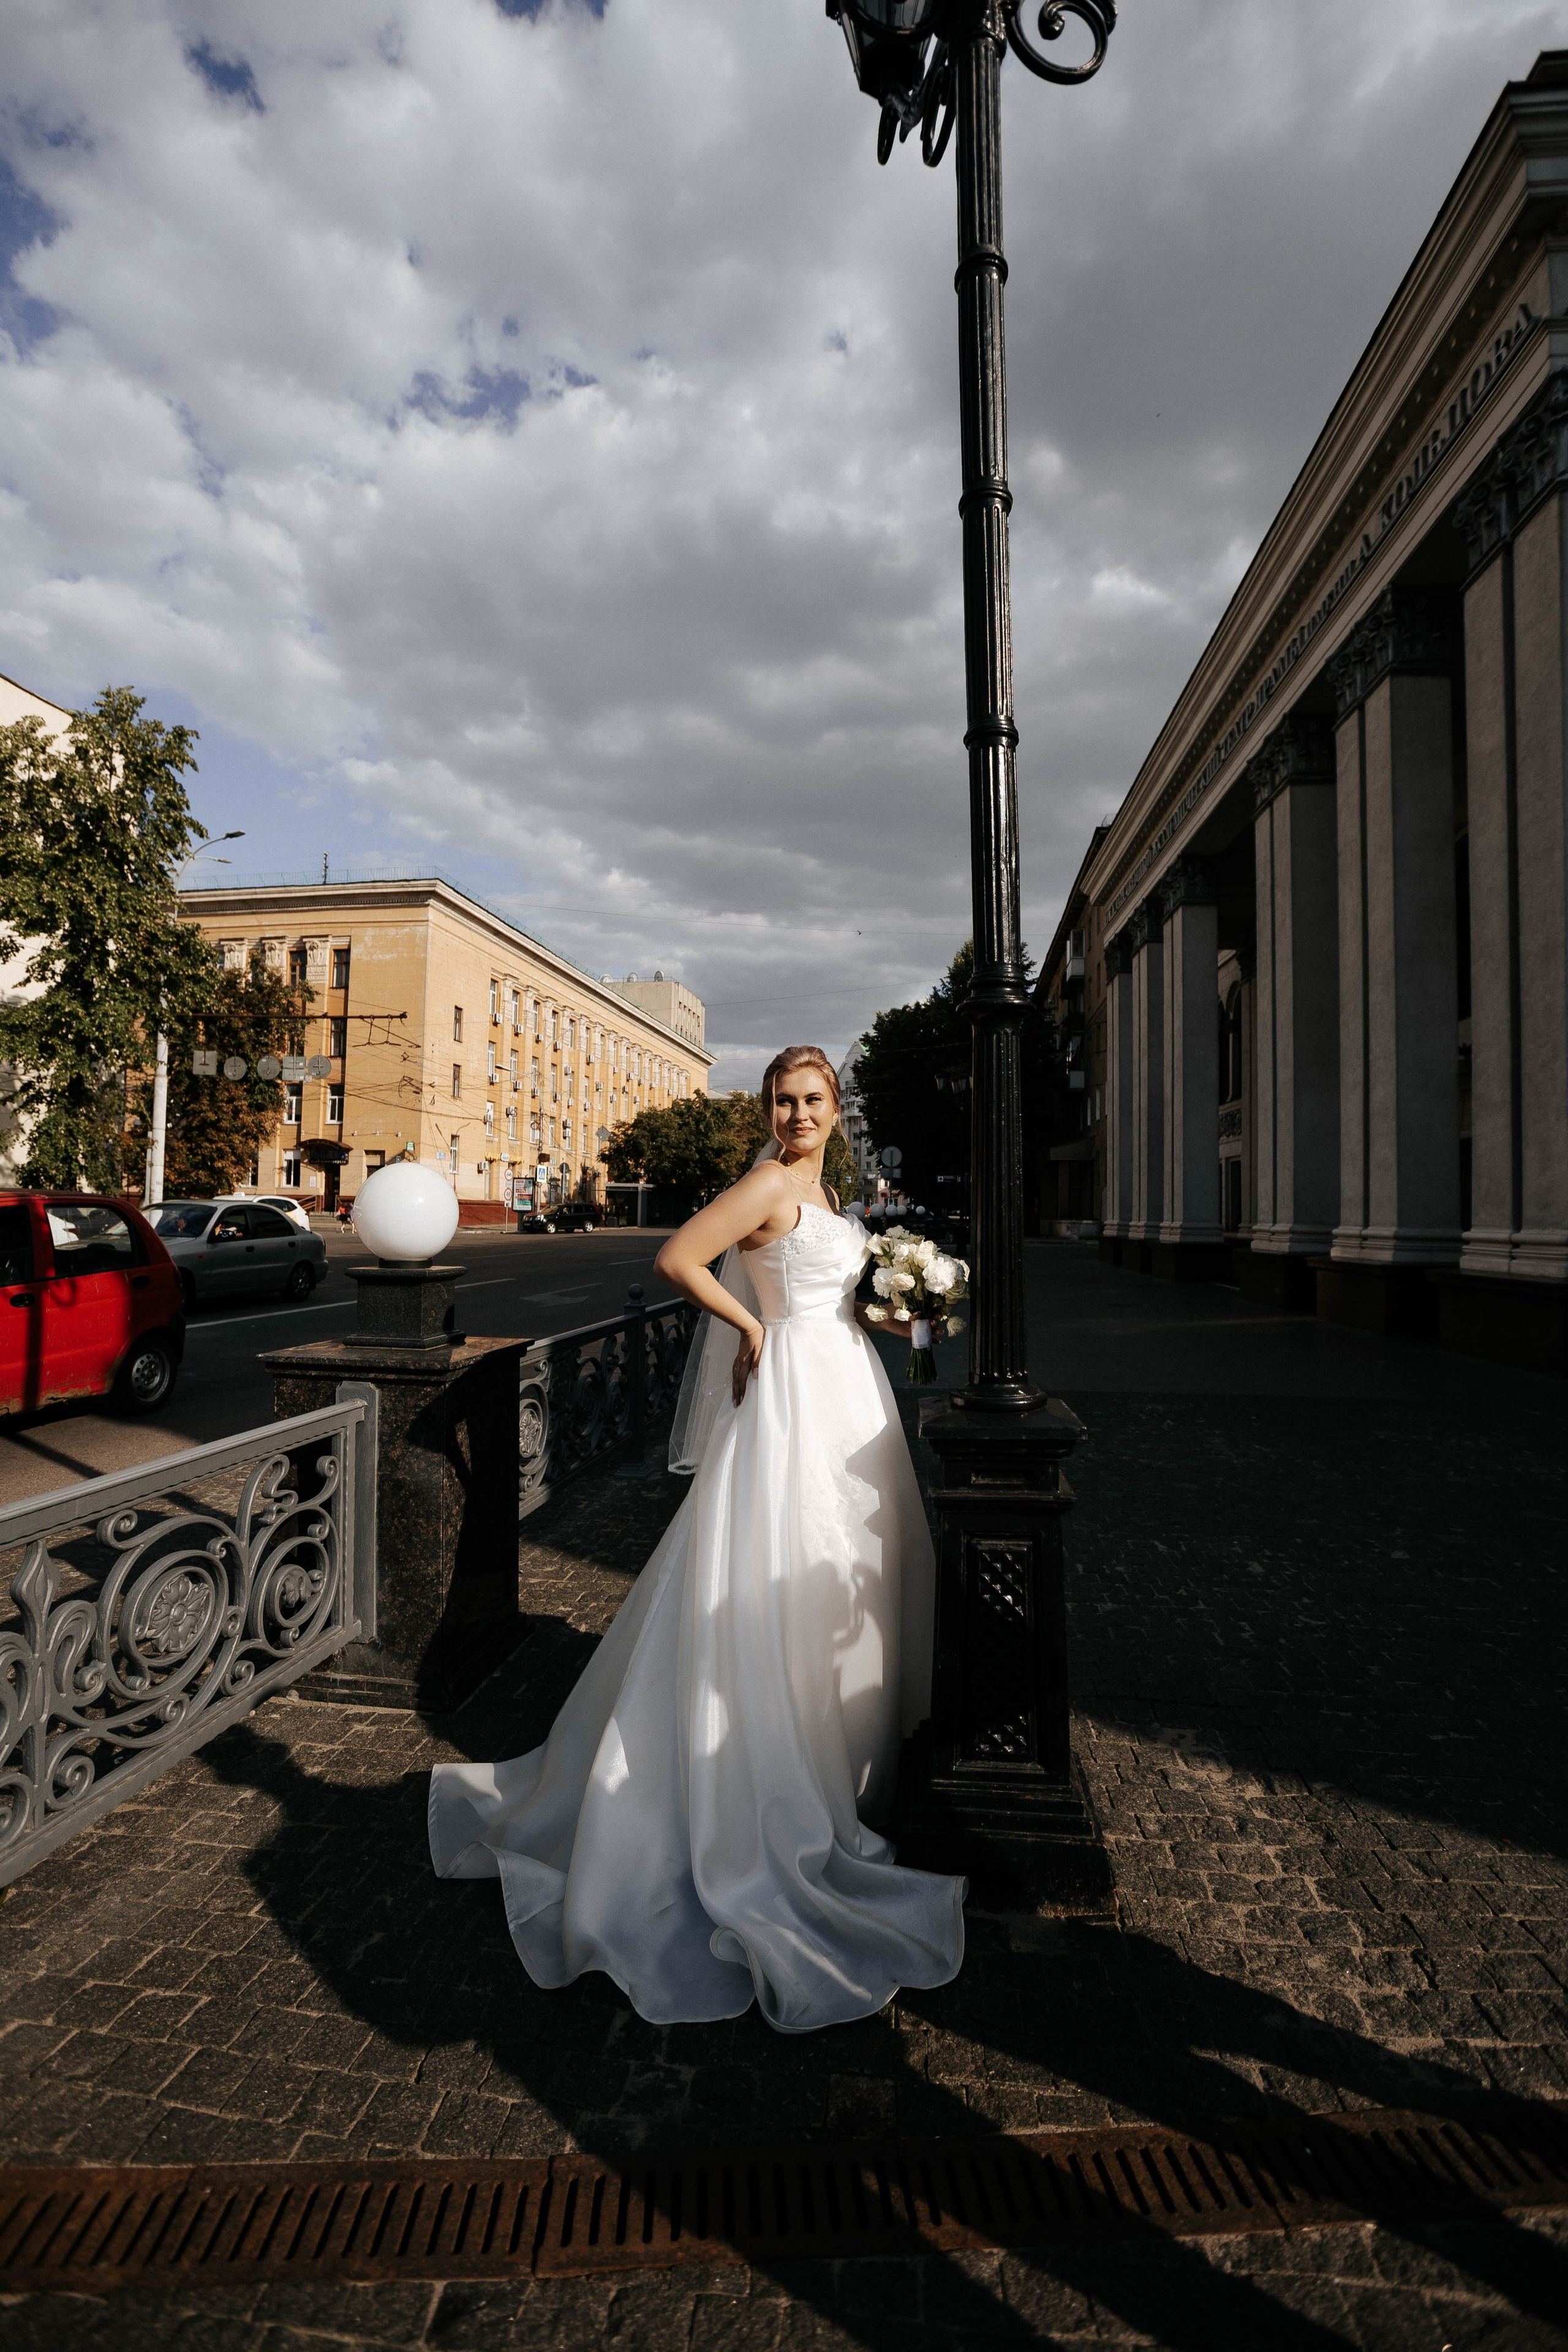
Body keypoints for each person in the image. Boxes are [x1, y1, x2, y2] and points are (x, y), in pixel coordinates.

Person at [428, 1044, 965, 2032]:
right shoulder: (764, 1182)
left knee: (844, 1575)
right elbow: (677, 1258)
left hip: (852, 1395)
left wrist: (907, 1312)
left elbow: (841, 1300)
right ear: (767, 1110)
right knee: (780, 1578)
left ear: (837, 1110)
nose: (797, 1114)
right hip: (794, 1401)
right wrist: (752, 1329)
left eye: (813, 1100)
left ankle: (841, 1758)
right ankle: (773, 1788)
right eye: (781, 1100)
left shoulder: (830, 1199)